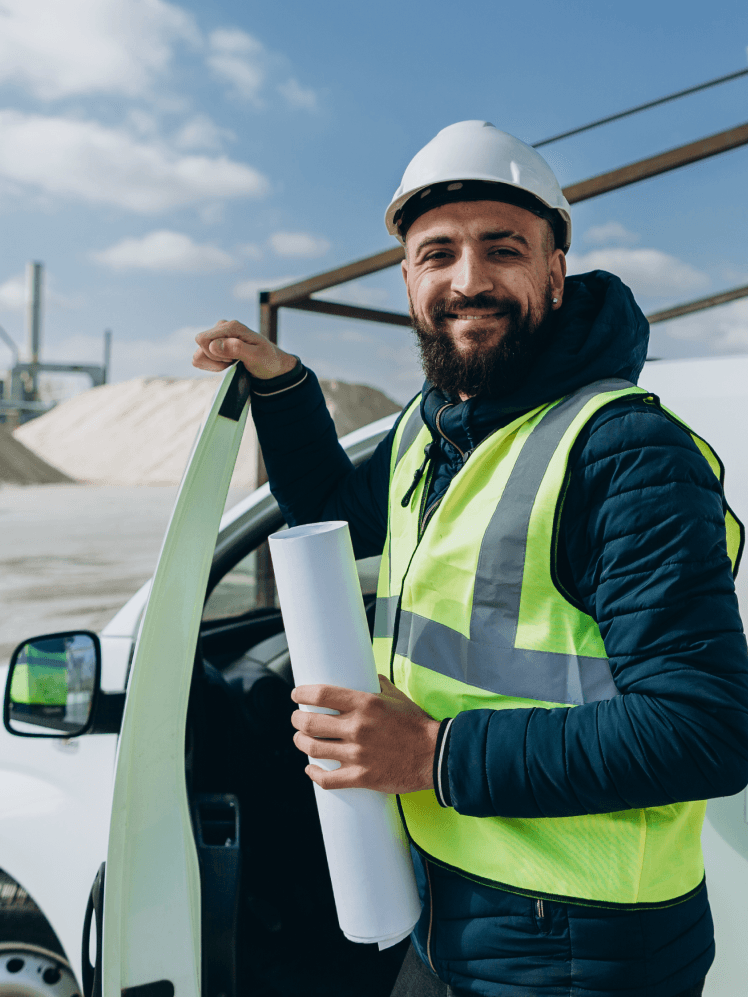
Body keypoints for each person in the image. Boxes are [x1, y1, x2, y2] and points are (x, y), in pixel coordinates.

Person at [193, 121, 748, 997]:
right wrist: (283, 384)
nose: (469, 279)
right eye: (438, 252)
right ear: (408, 280)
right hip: (452, 907)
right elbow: (338, 513)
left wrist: (431, 753)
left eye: (503, 248)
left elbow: (705, 732)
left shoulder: (626, 451)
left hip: (582, 947)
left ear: (555, 272)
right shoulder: (436, 424)